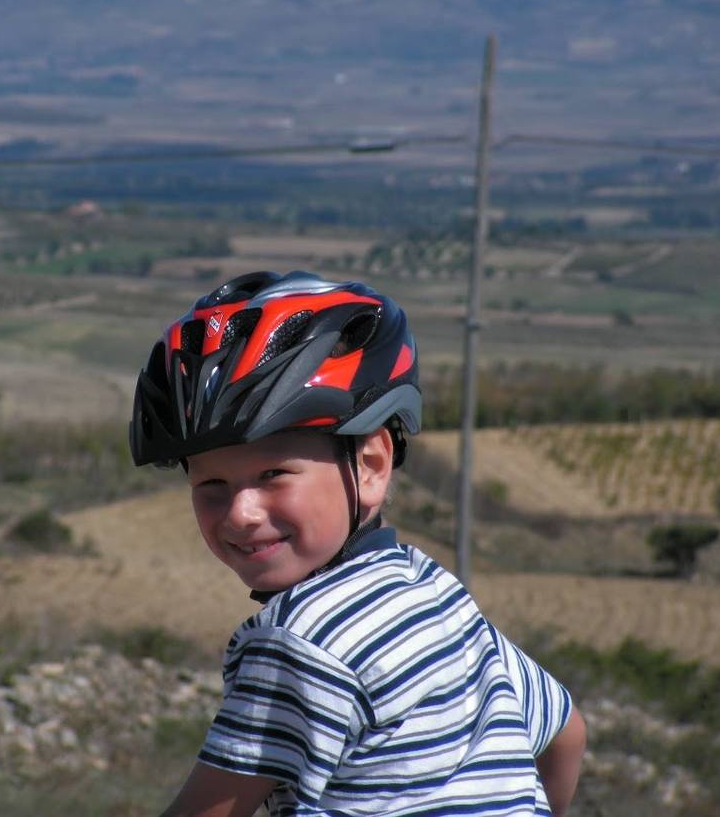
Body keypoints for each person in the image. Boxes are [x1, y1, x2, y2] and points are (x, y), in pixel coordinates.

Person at [129, 271, 586, 817]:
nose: (241, 513)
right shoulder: (432, 591)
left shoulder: (297, 642)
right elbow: (566, 733)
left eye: (273, 474)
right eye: (211, 485)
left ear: (370, 465)